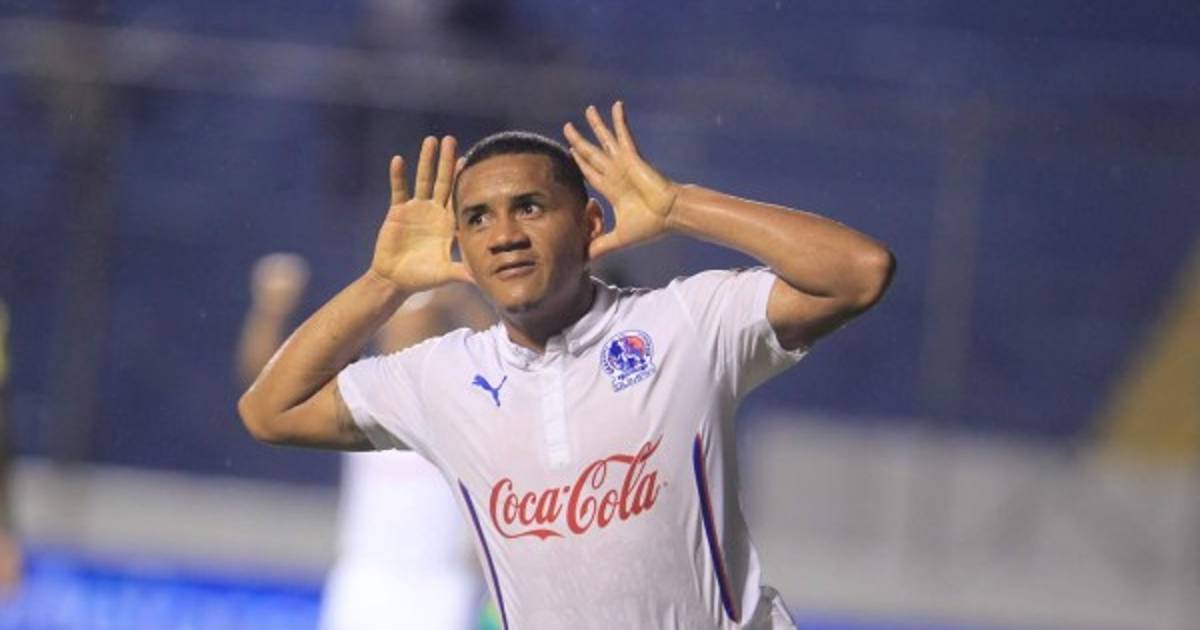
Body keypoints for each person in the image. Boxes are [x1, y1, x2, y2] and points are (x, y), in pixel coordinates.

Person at [238, 102, 895, 629]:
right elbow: (271, 411)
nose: (505, 235)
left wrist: (678, 207)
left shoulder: (686, 323)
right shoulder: (440, 379)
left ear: (589, 223)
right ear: (460, 246)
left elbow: (859, 273)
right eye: (478, 219)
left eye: (529, 207)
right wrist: (384, 283)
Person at [236, 254, 493, 630]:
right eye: (396, 319)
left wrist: (461, 301)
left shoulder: (460, 400)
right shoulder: (364, 393)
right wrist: (271, 309)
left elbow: (508, 372)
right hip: (367, 578)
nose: (400, 329)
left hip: (439, 582)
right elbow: (267, 390)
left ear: (439, 331)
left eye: (416, 316)